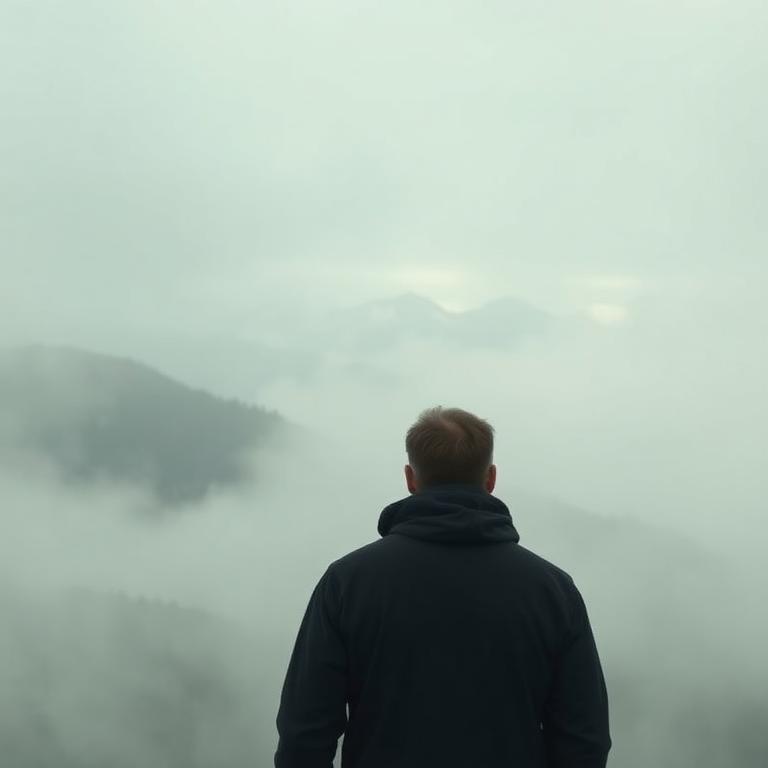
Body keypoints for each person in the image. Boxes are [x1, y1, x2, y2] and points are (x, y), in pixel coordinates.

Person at [274, 406, 612, 768]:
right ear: (491, 478)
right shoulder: (553, 592)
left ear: (410, 478)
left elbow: (305, 736)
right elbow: (584, 741)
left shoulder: (346, 583)